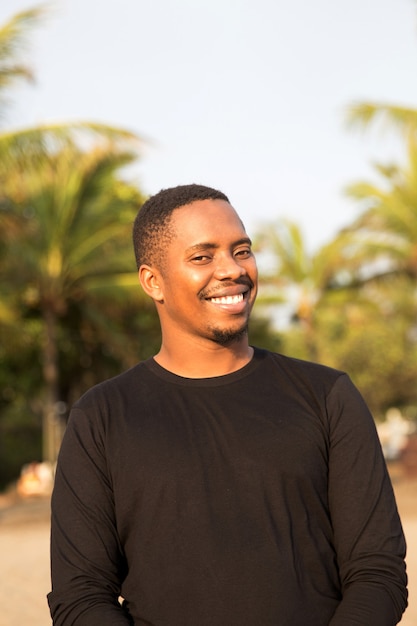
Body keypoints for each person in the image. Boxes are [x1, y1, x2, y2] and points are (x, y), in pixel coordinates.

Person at [48, 183, 408, 625]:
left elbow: (378, 571)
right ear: (153, 281)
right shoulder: (100, 418)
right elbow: (79, 595)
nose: (231, 270)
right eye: (203, 257)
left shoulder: (327, 396)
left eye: (242, 250)